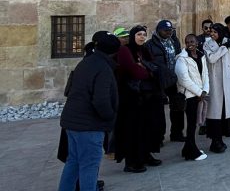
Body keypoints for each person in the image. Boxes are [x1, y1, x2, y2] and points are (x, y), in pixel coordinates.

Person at [57, 33, 120, 191]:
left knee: (74, 162)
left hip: (72, 122)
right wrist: (110, 117)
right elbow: (101, 100)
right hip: (89, 126)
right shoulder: (103, 68)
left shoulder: (86, 62)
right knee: (89, 166)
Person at [114, 25, 163, 173]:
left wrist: (145, 68)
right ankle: (131, 162)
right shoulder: (126, 50)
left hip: (147, 96)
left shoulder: (145, 50)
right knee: (132, 130)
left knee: (147, 127)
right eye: (139, 34)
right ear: (133, 36)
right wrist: (145, 70)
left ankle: (145, 155)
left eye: (144, 34)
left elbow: (155, 68)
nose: (142, 37)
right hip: (131, 97)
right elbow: (134, 71)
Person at [203, 23, 230, 153]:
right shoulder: (207, 44)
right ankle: (215, 141)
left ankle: (221, 139)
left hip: (228, 81)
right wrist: (222, 49)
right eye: (211, 32)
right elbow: (212, 59)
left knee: (225, 111)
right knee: (215, 112)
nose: (212, 34)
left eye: (215, 32)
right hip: (215, 82)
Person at [145, 19, 184, 143]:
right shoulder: (150, 45)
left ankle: (177, 133)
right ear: (158, 31)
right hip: (159, 80)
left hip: (173, 79)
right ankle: (158, 137)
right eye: (166, 30)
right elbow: (149, 62)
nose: (169, 32)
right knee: (158, 111)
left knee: (177, 107)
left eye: (170, 30)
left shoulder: (174, 41)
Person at [175, 34, 208, 160]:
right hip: (189, 96)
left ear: (197, 42)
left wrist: (205, 90)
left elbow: (205, 74)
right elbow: (183, 79)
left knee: (193, 123)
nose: (190, 44)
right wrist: (199, 92)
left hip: (199, 94)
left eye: (192, 41)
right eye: (187, 41)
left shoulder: (201, 56)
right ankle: (191, 152)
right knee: (191, 124)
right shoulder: (181, 59)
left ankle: (188, 148)